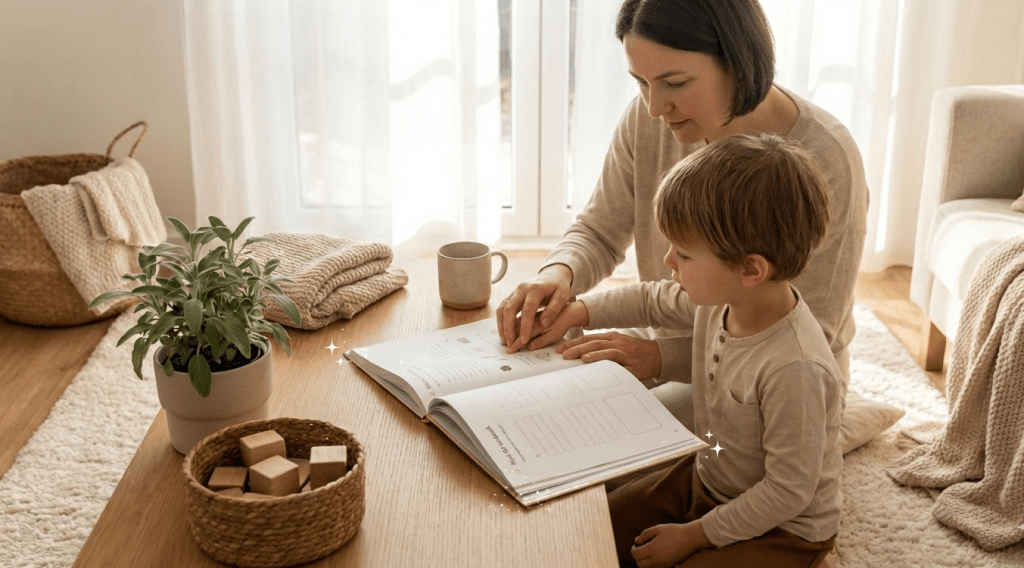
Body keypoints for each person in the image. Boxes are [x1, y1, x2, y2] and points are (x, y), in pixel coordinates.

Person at [496, 0, 867, 404]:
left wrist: (658, 359)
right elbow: (600, 229)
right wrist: (558, 274)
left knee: (609, 446)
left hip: (774, 384)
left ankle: (846, 427)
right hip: (670, 339)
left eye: (675, 84)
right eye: (641, 81)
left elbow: (809, 333)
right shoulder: (650, 117)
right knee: (540, 393)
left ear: (738, 61)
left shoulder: (827, 160)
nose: (654, 107)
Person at [534, 133, 842, 567]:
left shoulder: (796, 368)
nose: (668, 262)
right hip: (709, 478)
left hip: (782, 528)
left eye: (683, 253)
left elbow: (788, 493)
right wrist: (578, 311)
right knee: (591, 529)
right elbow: (649, 299)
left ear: (750, 269)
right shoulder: (723, 297)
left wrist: (695, 536)